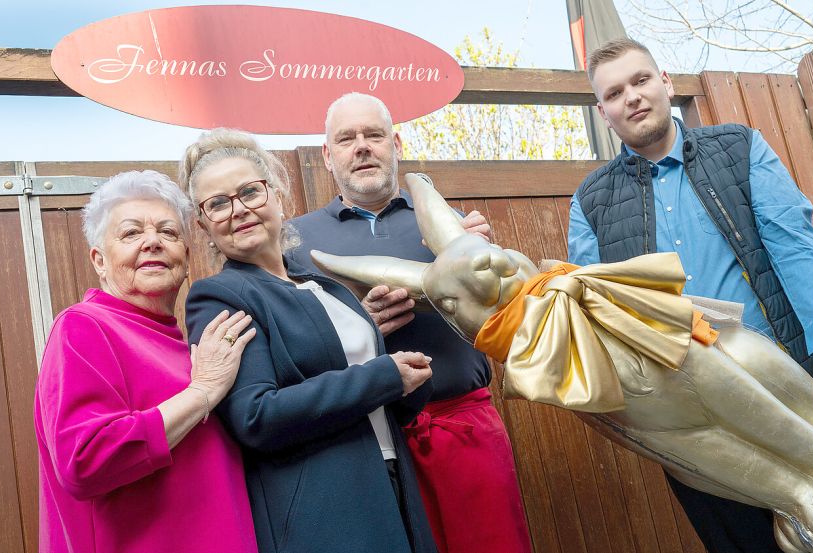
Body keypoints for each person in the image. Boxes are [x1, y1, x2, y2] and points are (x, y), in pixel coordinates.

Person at [567, 38, 813, 552]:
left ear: (665, 82)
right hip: (697, 428)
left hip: (797, 392)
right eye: (615, 93)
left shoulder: (739, 148)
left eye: (641, 80)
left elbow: (797, 247)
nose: (632, 97)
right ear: (604, 113)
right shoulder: (590, 202)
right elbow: (593, 317)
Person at [287, 92, 532, 553]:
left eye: (374, 135)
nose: (362, 146)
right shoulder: (296, 243)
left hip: (465, 429)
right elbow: (293, 353)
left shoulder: (450, 225)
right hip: (370, 443)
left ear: (396, 144)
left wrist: (492, 264)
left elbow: (512, 316)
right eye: (346, 138)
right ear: (328, 155)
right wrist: (358, 330)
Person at [178, 128, 437, 553]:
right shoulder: (219, 296)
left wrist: (410, 383)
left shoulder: (323, 284)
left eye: (250, 192)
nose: (238, 210)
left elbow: (372, 394)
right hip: (323, 511)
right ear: (204, 224)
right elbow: (256, 417)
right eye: (218, 203)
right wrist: (383, 377)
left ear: (277, 196)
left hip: (390, 482)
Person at [34, 170, 258, 553]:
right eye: (131, 233)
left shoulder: (188, 346)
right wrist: (203, 392)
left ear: (186, 258)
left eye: (168, 232)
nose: (152, 241)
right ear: (99, 260)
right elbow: (84, 460)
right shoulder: (83, 326)